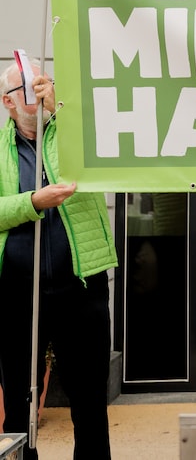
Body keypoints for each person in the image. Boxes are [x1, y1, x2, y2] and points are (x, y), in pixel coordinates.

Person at [0, 60, 118, 459]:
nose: (36, 92)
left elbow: (107, 149)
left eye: (43, 83)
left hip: (80, 289)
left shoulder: (75, 136)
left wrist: (63, 109)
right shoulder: (0, 149)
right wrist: (33, 202)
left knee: (88, 401)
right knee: (18, 401)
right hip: (16, 292)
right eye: (26, 89)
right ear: (7, 103)